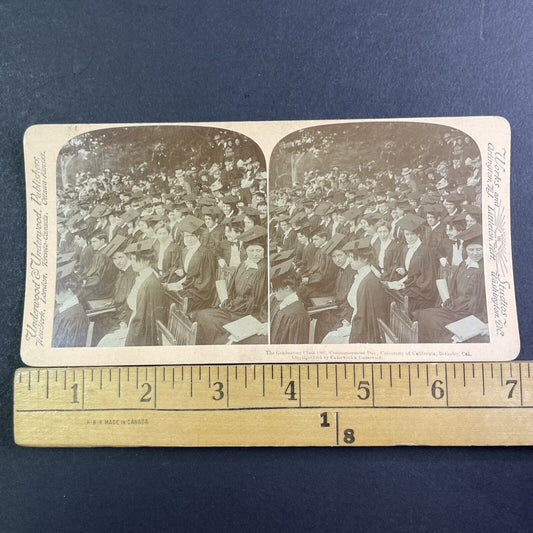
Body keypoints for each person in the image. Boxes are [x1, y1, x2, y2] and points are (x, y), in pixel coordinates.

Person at [194, 226, 268, 345]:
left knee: (213, 321)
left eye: (258, 250)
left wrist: (233, 306)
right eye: (251, 250)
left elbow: (260, 301)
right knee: (203, 315)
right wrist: (227, 302)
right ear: (245, 251)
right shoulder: (244, 264)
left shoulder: (263, 270)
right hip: (234, 307)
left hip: (247, 313)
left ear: (264, 251)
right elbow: (231, 288)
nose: (255, 254)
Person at [415, 225, 488, 343]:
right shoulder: (464, 265)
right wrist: (447, 301)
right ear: (466, 250)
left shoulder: (484, 269)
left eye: (479, 249)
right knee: (424, 314)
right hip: (455, 307)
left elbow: (480, 302)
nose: (475, 253)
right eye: (471, 250)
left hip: (469, 314)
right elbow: (452, 287)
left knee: (438, 324)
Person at [322, 239, 389, 344]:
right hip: (354, 324)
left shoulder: (369, 283)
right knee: (328, 338)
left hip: (365, 334)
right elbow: (354, 306)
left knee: (329, 341)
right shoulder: (359, 276)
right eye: (349, 257)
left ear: (365, 259)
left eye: (353, 258)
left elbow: (366, 319)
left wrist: (349, 331)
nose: (349, 261)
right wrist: (347, 321)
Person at [387, 214, 438, 315]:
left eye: (412, 234)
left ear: (418, 234)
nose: (409, 237)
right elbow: (410, 269)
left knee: (399, 295)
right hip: (410, 283)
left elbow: (427, 278)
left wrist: (406, 286)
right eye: (407, 234)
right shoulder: (405, 248)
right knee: (388, 291)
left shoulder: (426, 251)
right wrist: (403, 271)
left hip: (422, 292)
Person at [169, 215, 216, 312]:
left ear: (198, 236)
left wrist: (182, 287)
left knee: (175, 297)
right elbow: (188, 275)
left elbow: (205, 282)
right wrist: (179, 283)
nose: (189, 239)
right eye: (186, 236)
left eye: (192, 236)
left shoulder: (205, 253)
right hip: (189, 287)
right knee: (167, 293)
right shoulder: (185, 251)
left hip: (201, 294)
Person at [124, 240, 165, 346]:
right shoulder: (143, 277)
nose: (132, 262)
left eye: (135, 259)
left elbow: (143, 320)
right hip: (135, 322)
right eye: (131, 259)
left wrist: (130, 337)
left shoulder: (149, 284)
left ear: (147, 261)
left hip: (142, 334)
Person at [270, 262, 310, 344]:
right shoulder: (282, 303)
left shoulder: (298, 315)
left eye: (275, 289)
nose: (274, 292)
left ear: (287, 287)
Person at [52, 272, 89, 348]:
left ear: (69, 291)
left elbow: (66, 345)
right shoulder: (64, 306)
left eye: (57, 292)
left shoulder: (75, 317)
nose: (54, 296)